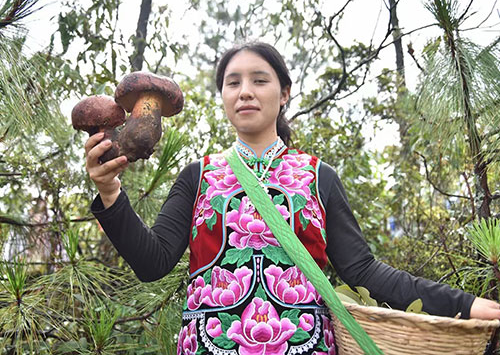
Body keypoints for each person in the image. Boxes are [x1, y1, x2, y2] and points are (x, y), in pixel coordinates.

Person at [86, 42, 500, 354]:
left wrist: (467, 305)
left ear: (284, 93)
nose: (245, 91)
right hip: (209, 346)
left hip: (305, 346)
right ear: (224, 99)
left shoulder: (319, 176)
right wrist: (110, 192)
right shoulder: (198, 175)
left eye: (259, 80)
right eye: (233, 83)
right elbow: (152, 262)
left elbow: (364, 272)